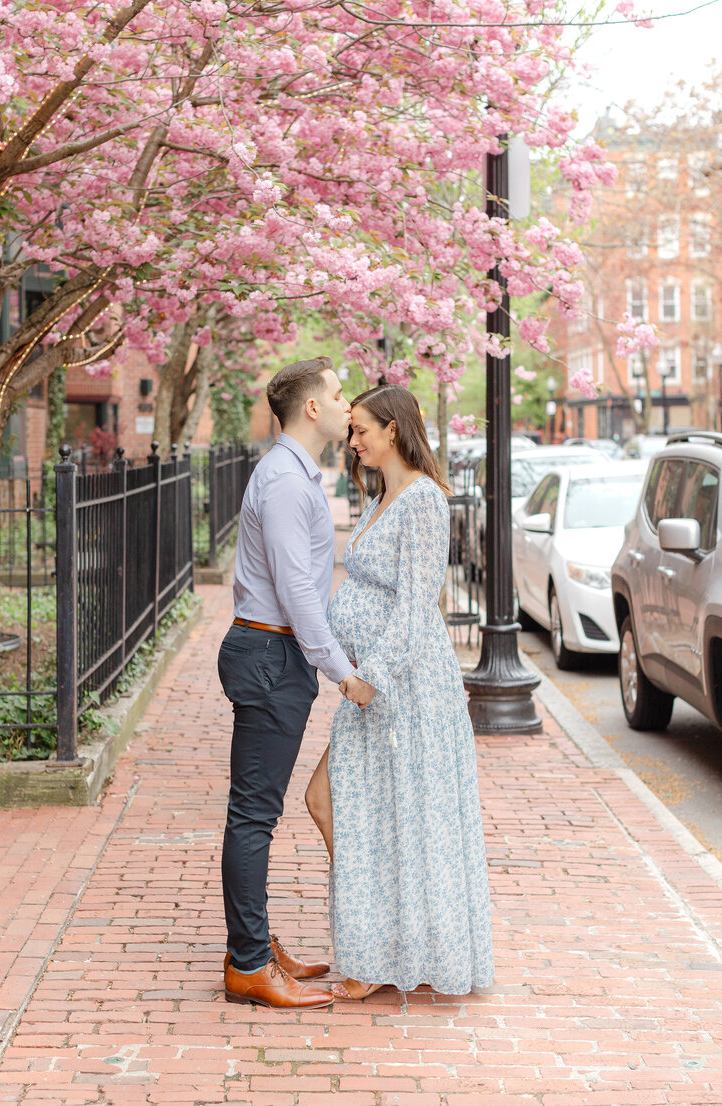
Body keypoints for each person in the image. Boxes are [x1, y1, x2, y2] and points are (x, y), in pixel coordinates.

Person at [305, 384, 495, 1000]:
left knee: (388, 816)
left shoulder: (423, 502)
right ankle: (372, 947)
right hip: (372, 690)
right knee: (343, 806)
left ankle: (374, 958)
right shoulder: (381, 495)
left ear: (394, 430)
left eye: (362, 429)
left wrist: (370, 678)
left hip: (404, 690)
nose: (353, 439)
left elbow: (416, 610)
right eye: (352, 429)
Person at [218, 356, 354, 1010]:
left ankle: (255, 946)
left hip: (276, 652)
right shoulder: (285, 482)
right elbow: (296, 587)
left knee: (258, 814)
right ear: (310, 407)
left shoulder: (295, 475)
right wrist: (340, 669)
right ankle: (247, 964)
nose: (345, 402)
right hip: (272, 654)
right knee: (254, 816)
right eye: (336, 392)